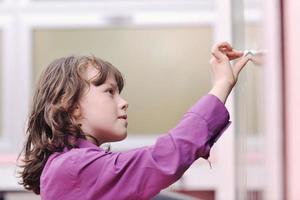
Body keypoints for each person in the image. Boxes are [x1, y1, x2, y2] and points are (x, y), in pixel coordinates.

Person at [18, 41, 251, 199]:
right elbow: (163, 159)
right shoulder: (75, 167)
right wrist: (221, 86)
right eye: (109, 92)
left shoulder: (72, 165)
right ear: (72, 106)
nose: (123, 102)